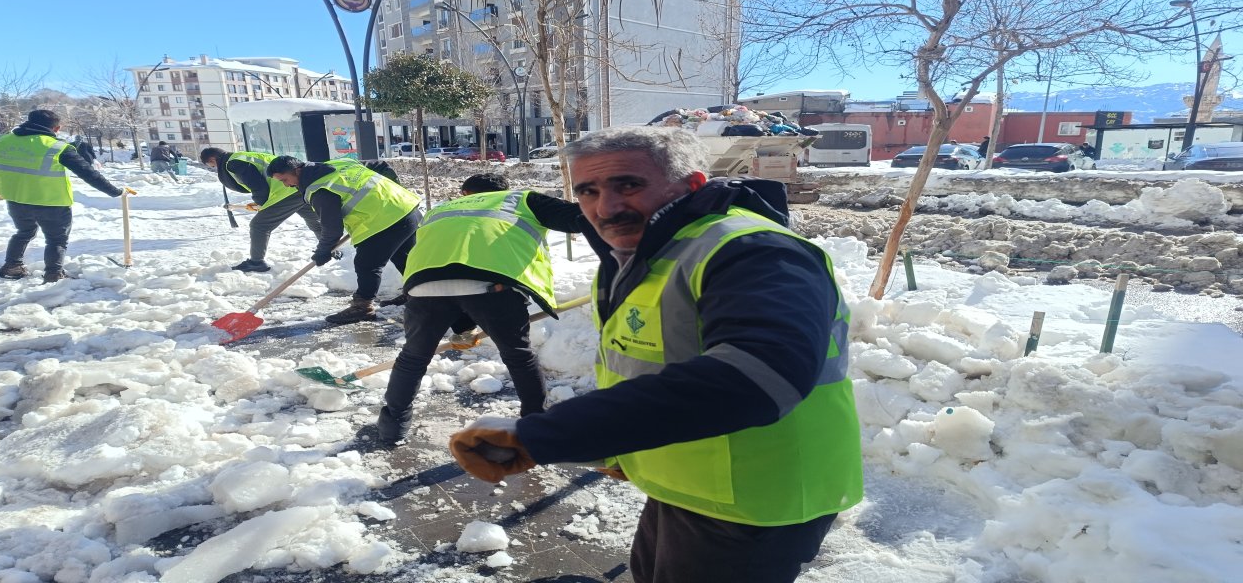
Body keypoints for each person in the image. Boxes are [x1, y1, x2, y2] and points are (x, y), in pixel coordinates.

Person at [448, 126, 863, 583]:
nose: (606, 207)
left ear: (692, 185)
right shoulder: (646, 254)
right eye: (588, 191)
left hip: (757, 503)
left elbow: (756, 378)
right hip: (692, 485)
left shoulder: (753, 251)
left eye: (629, 184)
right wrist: (621, 443)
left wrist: (545, 435)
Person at [378, 172, 586, 444]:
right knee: (518, 355)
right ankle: (535, 425)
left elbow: (452, 263)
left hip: (423, 287)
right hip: (491, 289)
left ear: (465, 193)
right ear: (504, 189)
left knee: (413, 358)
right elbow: (581, 218)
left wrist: (464, 328)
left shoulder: (441, 209)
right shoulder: (521, 200)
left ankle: (391, 427)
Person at [266, 155, 422, 324]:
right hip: (406, 207)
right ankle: (419, 295)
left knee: (367, 264)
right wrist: (394, 191)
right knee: (403, 258)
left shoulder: (319, 189)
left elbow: (332, 228)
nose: (286, 185)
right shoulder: (341, 163)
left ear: (297, 171)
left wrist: (323, 251)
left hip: (384, 220)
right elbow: (380, 165)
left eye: (285, 179)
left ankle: (362, 307)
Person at [0, 109, 130, 283]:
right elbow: (89, 173)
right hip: (51, 202)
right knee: (56, 239)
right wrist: (116, 191)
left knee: (23, 232)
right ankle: (53, 273)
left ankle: (12, 266)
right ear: (56, 128)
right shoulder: (57, 146)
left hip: (16, 199)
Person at [198, 148, 324, 273]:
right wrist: (259, 202)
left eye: (213, 165)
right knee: (313, 219)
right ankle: (330, 247)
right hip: (297, 186)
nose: (215, 168)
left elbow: (258, 185)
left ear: (212, 159)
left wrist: (261, 203)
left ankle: (256, 262)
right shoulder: (242, 156)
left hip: (286, 190)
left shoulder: (232, 163)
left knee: (259, 225)